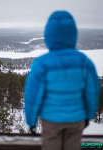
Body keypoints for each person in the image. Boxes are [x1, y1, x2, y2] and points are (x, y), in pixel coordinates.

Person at [24, 10, 100, 150]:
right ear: (73, 35)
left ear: (49, 36)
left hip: (51, 121)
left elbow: (32, 96)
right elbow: (92, 93)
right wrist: (88, 115)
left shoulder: (42, 63)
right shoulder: (84, 62)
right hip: (76, 120)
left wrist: (31, 121)